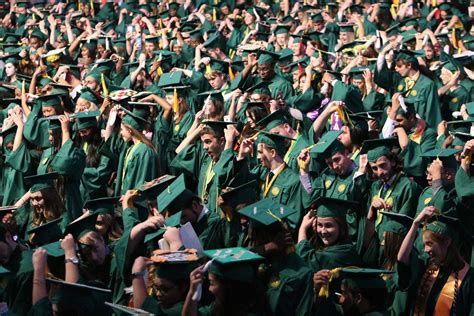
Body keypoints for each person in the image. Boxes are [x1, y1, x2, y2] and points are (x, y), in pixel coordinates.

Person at [397, 207, 474, 315]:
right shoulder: (426, 265)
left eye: (429, 243)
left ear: (447, 242)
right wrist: (415, 224)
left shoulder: (468, 278)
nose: (425, 250)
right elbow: (402, 259)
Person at [182, 247, 271, 315]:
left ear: (229, 287)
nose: (209, 289)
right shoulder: (220, 307)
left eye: (212, 283)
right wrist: (193, 291)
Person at [297, 198, 362, 273]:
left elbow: (304, 260)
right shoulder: (321, 245)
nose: (323, 231)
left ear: (342, 228)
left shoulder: (345, 252)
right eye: (320, 225)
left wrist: (302, 228)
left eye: (329, 226)